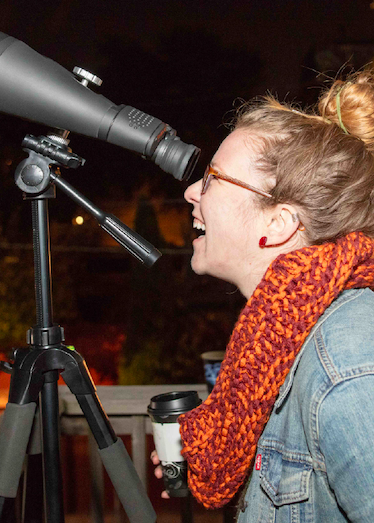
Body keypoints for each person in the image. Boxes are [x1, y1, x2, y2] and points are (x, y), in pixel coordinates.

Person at [152, 70, 374, 522]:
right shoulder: (277, 340)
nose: (192, 191)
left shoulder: (350, 362)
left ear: (278, 223)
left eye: (214, 178)